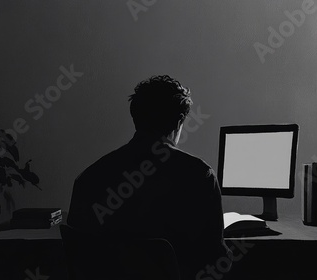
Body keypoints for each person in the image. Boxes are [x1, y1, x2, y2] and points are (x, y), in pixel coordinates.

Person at [67, 75, 231, 279]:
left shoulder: (90, 176)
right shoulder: (199, 175)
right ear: (179, 121)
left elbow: (79, 255)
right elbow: (215, 256)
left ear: (136, 117)